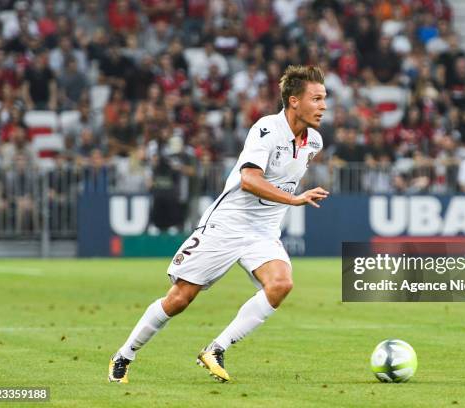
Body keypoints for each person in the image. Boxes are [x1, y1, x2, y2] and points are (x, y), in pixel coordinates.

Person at [108, 65, 329, 383]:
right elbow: (250, 180)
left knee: (281, 284)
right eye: (317, 99)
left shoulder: (315, 142)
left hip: (263, 231)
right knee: (180, 298)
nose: (323, 106)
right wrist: (293, 200)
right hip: (228, 224)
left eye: (324, 99)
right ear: (294, 101)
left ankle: (215, 349)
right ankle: (124, 355)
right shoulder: (266, 129)